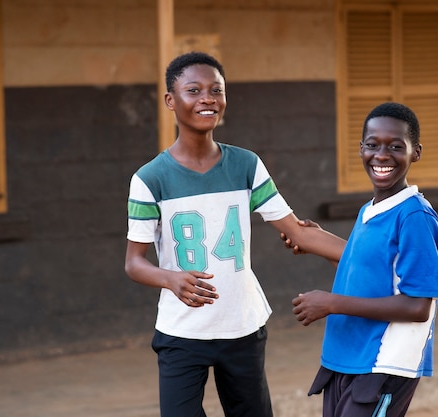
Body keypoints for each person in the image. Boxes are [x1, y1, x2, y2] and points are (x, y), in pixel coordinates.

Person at [124, 51, 342, 417]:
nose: (207, 98)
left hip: (242, 325)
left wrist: (372, 256)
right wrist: (170, 279)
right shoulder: (150, 179)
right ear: (170, 100)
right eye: (193, 90)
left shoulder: (245, 165)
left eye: (216, 90)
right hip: (182, 332)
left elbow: (299, 233)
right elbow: (134, 263)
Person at [281, 102, 438, 417]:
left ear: (416, 152)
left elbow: (418, 306)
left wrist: (332, 303)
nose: (382, 155)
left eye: (396, 146)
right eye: (373, 145)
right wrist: (317, 241)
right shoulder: (370, 210)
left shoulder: (414, 215)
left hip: (383, 362)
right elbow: (368, 271)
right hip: (347, 356)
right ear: (361, 149)